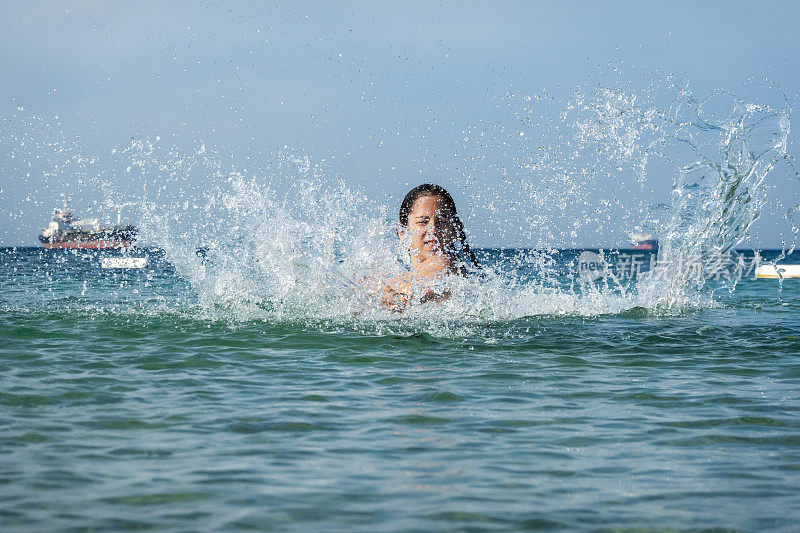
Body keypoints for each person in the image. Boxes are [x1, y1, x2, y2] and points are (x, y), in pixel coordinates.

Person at [381, 184, 479, 311]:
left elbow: (402, 300)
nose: (433, 229)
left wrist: (380, 285)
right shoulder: (402, 279)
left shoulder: (445, 263)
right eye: (423, 222)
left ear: (454, 231)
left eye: (442, 222)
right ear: (403, 233)